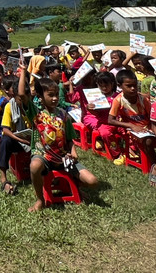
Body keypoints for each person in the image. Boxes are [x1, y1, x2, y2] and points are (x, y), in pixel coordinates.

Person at [17, 66, 97, 212]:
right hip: (43, 155)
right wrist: (23, 71)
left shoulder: (63, 114)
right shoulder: (36, 112)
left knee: (92, 181)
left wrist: (73, 152)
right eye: (50, 95)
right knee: (34, 166)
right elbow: (22, 94)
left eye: (56, 95)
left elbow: (69, 138)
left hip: (63, 158)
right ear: (40, 97)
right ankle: (40, 199)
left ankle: (75, 187)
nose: (55, 98)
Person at [108, 70, 153, 165]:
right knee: (147, 141)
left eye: (135, 85)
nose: (133, 89)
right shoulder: (119, 100)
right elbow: (110, 120)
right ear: (120, 86)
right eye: (128, 86)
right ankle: (155, 164)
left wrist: (151, 127)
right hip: (131, 130)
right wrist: (131, 125)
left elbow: (151, 116)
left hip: (147, 128)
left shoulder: (143, 99)